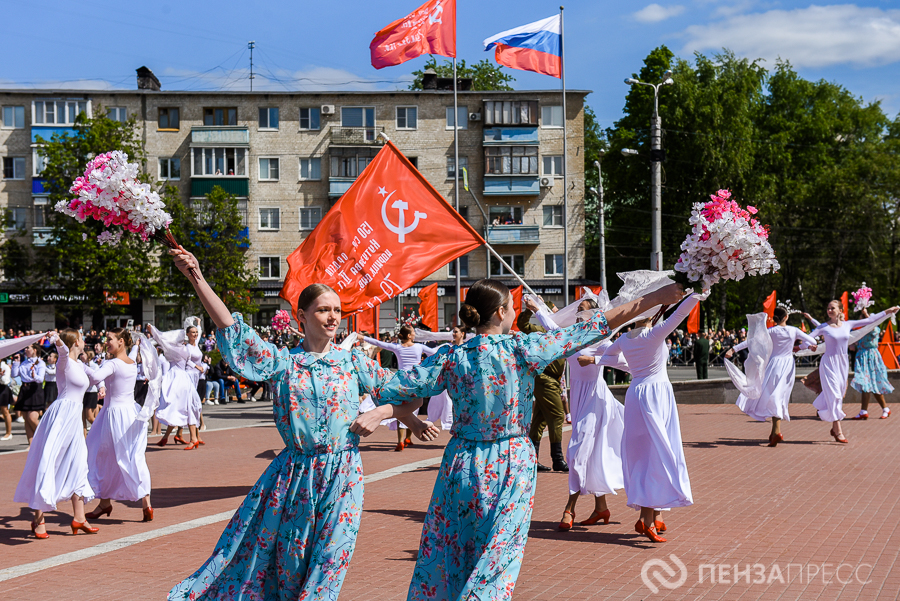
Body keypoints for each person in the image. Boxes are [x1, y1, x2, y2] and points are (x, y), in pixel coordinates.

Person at [375, 278, 685, 599]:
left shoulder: (451, 356)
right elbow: (599, 326)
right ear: (499, 313)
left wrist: (397, 413)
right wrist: (656, 298)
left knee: (451, 552)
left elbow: (396, 386)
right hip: (509, 461)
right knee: (496, 560)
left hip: (460, 463)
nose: (515, 312)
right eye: (512, 306)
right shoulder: (522, 349)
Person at [165, 247, 435, 601]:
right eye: (324, 309)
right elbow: (230, 328)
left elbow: (413, 391)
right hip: (294, 476)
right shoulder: (282, 363)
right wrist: (196, 277)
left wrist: (386, 413)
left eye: (337, 310)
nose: (333, 316)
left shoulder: (354, 362)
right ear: (301, 316)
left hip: (343, 473)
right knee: (289, 568)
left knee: (330, 563)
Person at [602, 292, 708, 543]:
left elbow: (607, 357)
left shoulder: (625, 338)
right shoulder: (655, 333)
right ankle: (647, 519)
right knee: (658, 453)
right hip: (657, 395)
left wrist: (632, 368)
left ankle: (653, 515)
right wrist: (699, 292)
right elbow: (680, 314)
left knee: (644, 453)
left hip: (635, 393)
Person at [526, 296, 630, 531]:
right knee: (589, 454)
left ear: (593, 315)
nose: (577, 315)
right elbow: (553, 328)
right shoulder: (573, 335)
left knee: (576, 452)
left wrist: (594, 359)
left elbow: (625, 362)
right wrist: (537, 307)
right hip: (579, 400)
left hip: (596, 400)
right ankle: (600, 507)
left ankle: (569, 508)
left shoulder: (601, 339)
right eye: (577, 312)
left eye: (582, 311)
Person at [14, 330, 97, 538]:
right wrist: (58, 341)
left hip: (74, 420)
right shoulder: (65, 362)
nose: (84, 340)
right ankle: (38, 520)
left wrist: (103, 385)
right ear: (75, 342)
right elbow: (61, 353)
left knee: (79, 463)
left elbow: (95, 377)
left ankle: (79, 518)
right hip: (60, 417)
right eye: (81, 337)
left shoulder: (80, 364)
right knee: (48, 463)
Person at [83, 328, 154, 522]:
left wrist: (80, 365)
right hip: (131, 413)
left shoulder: (113, 363)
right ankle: (145, 503)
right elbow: (130, 354)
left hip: (113, 415)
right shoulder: (130, 361)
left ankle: (105, 502)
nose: (107, 342)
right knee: (133, 456)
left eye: (110, 339)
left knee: (101, 455)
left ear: (121, 341)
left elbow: (95, 378)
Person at [805, 301, 898, 442]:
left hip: (842, 364)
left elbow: (870, 320)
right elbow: (809, 337)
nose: (829, 310)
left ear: (841, 310)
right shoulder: (824, 327)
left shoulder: (848, 325)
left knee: (840, 394)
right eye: (828, 308)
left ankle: (834, 429)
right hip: (828, 363)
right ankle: (839, 430)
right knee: (835, 394)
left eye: (832, 308)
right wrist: (808, 346)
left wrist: (887, 311)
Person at [725, 307, 818, 445]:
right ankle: (775, 431)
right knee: (779, 395)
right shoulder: (794, 330)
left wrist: (733, 349)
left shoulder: (771, 331)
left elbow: (751, 341)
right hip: (788, 365)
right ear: (786, 317)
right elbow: (813, 341)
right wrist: (803, 347)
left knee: (772, 393)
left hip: (773, 364)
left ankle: (775, 431)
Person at [362, 326, 439, 450]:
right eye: (413, 332)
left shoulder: (398, 347)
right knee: (412, 410)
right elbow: (435, 353)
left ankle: (401, 440)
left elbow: (379, 343)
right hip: (416, 382)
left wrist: (363, 337)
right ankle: (408, 438)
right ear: (409, 335)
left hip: (400, 382)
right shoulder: (419, 347)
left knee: (400, 409)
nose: (415, 334)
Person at [517, 304, 569, 472]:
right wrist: (531, 309)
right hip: (545, 378)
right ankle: (557, 459)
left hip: (551, 379)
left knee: (539, 420)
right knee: (556, 416)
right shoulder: (541, 330)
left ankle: (532, 459)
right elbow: (523, 325)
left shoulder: (563, 330)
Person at [152, 321, 203, 449]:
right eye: (193, 333)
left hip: (179, 379)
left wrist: (152, 330)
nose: (195, 335)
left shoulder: (176, 349)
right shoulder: (184, 348)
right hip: (185, 378)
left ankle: (193, 438)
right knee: (182, 407)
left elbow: (161, 340)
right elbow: (188, 361)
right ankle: (185, 437)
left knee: (181, 407)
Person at [849, 307, 893, 420]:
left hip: (871, 358)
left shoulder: (874, 328)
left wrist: (866, 314)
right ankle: (882, 409)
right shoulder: (861, 330)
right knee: (867, 384)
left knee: (870, 384)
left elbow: (874, 329)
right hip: (862, 357)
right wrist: (853, 345)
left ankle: (866, 411)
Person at [426, 325, 467, 431]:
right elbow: (433, 352)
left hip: (461, 379)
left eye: (456, 332)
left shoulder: (466, 348)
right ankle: (448, 423)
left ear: (462, 334)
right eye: (453, 332)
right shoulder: (447, 346)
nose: (453, 334)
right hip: (448, 377)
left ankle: (456, 424)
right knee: (443, 399)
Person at [12, 344, 46, 444]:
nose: (25, 350)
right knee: (26, 418)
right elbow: (14, 374)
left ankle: (43, 438)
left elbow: (40, 379)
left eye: (28, 348)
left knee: (32, 418)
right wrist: (16, 362)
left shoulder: (40, 363)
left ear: (34, 350)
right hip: (25, 389)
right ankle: (31, 444)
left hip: (35, 389)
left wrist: (34, 375)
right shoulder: (24, 363)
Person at [1, 358, 13, 440]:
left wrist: (1, 375)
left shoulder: (5, 367)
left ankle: (8, 433)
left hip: (2, 389)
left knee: (5, 411)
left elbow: (5, 381)